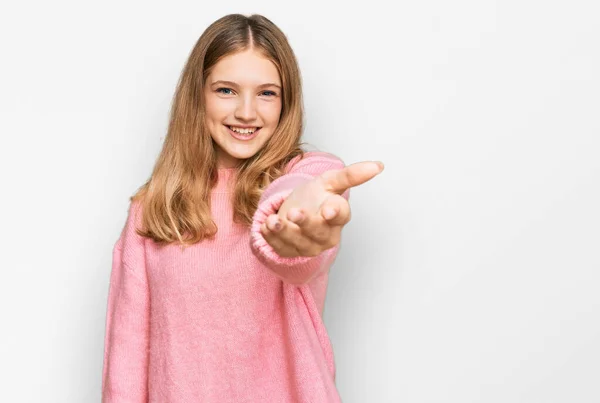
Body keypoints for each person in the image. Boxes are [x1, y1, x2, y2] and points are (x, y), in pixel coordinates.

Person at [101, 13, 384, 403]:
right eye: (226, 90)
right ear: (197, 95)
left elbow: (302, 198)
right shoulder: (151, 211)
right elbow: (125, 364)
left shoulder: (307, 179)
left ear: (286, 103)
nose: (247, 113)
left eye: (267, 93)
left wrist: (291, 221)